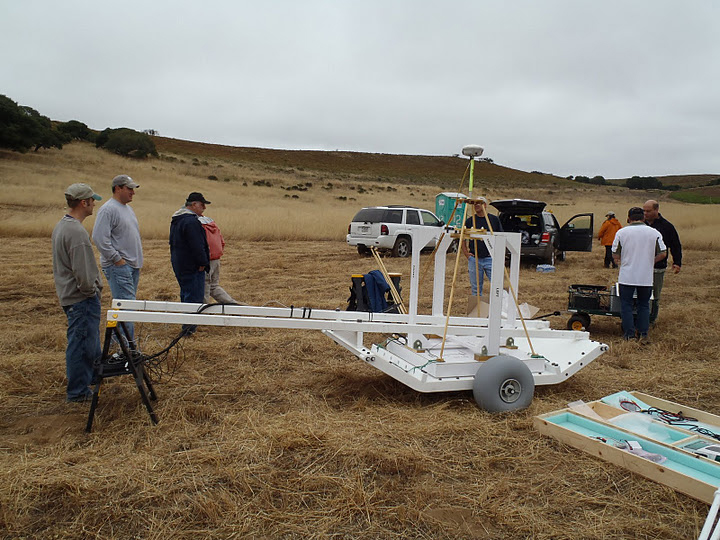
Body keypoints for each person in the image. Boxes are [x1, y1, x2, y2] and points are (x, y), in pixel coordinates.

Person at [52, 183, 103, 402]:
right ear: (84, 203)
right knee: (81, 344)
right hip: (81, 298)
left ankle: (91, 379)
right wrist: (91, 291)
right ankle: (79, 393)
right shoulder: (76, 232)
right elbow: (82, 273)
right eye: (92, 200)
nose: (94, 204)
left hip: (71, 296)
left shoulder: (63, 226)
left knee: (87, 341)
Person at [92, 174, 143, 343]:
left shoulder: (127, 209)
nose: (133, 193)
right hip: (119, 267)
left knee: (127, 307)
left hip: (131, 266)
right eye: (129, 189)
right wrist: (117, 259)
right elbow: (99, 238)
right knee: (126, 308)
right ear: (118, 188)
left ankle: (119, 345)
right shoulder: (108, 209)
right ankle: (126, 348)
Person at [612, 207, 666, 345]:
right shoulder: (654, 233)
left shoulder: (621, 232)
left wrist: (621, 262)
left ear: (629, 218)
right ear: (643, 218)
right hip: (645, 277)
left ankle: (629, 335)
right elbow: (663, 253)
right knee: (643, 305)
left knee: (626, 305)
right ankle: (643, 334)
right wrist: (650, 262)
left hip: (627, 276)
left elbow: (615, 254)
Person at [169, 193, 211, 333]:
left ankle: (187, 326)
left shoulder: (177, 219)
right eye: (202, 204)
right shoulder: (191, 222)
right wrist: (203, 262)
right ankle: (189, 329)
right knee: (194, 297)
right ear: (193, 205)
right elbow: (197, 245)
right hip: (192, 266)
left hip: (180, 264)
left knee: (186, 294)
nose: (204, 208)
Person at [643, 199, 682, 325]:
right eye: (644, 210)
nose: (645, 213)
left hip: (657, 267)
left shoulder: (667, 226)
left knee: (654, 295)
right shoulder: (640, 225)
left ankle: (651, 320)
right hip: (640, 266)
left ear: (656, 210)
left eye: (648, 211)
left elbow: (675, 245)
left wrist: (677, 262)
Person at [461, 199, 503, 296]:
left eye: (478, 203)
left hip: (490, 258)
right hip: (475, 259)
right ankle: (478, 309)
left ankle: (498, 308)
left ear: (484, 205)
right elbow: (462, 238)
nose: (476, 206)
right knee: (476, 288)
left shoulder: (494, 220)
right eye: (475, 204)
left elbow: (500, 237)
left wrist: (498, 254)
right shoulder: (470, 221)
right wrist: (466, 253)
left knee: (497, 285)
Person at [198, 211, 237, 304]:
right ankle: (233, 305)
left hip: (207, 260)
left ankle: (203, 311)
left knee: (205, 286)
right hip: (216, 258)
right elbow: (222, 242)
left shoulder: (198, 225)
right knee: (214, 286)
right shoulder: (212, 223)